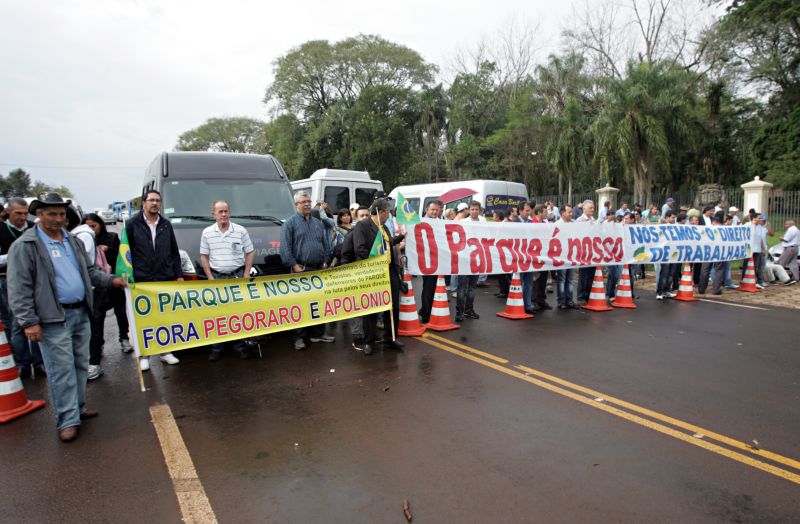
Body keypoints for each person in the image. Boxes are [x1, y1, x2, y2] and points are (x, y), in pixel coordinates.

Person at [7, 193, 126, 442]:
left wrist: (112, 280)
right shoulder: (26, 245)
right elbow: (19, 287)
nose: (58, 218)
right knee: (60, 370)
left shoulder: (72, 241)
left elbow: (90, 271)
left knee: (80, 364)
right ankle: (68, 420)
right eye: (52, 214)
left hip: (81, 311)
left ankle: (79, 408)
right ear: (39, 214)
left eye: (61, 214)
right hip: (53, 318)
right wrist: (29, 322)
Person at [126, 190, 183, 371]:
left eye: (158, 200)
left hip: (164, 278)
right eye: (151, 200)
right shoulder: (131, 224)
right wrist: (126, 275)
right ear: (144, 203)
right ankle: (144, 355)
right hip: (141, 280)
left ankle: (165, 352)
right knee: (143, 320)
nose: (155, 203)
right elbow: (125, 252)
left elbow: (174, 252)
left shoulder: (166, 225)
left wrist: (179, 275)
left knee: (164, 318)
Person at [199, 200, 255, 361]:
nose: (223, 214)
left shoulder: (240, 231)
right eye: (220, 212)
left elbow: (250, 252)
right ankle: (217, 348)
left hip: (236, 276)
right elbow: (204, 256)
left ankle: (240, 346)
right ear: (213, 214)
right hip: (217, 278)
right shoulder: (207, 232)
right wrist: (209, 276)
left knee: (237, 313)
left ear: (230, 212)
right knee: (218, 314)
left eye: (226, 211)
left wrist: (246, 273)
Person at [350, 198, 404, 355]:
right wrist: (376, 263)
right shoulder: (362, 226)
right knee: (372, 307)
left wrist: (399, 238)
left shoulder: (384, 227)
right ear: (380, 212)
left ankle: (391, 338)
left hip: (389, 271)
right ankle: (368, 341)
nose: (389, 215)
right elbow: (359, 249)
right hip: (372, 273)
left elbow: (387, 243)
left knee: (392, 306)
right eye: (388, 212)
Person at [280, 191, 331, 350]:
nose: (307, 204)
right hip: (300, 270)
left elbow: (324, 243)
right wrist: (294, 265)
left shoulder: (318, 223)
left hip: (318, 269)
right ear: (296, 205)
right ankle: (299, 338)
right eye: (303, 202)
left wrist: (325, 261)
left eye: (309, 201)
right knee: (300, 305)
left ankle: (318, 334)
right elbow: (285, 248)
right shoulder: (289, 223)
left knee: (319, 302)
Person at [82, 213, 128, 381]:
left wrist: (109, 250)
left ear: (100, 225)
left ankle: (125, 338)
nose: (91, 229)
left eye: (93, 226)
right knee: (96, 320)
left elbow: (121, 255)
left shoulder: (112, 237)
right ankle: (95, 355)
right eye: (87, 226)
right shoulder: (82, 240)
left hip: (113, 281)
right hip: (97, 288)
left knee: (121, 312)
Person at [0, 198, 43, 378]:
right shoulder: (1, 229)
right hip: (7, 279)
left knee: (37, 321)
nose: (23, 217)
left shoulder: (33, 229)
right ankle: (23, 363)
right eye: (19, 213)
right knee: (17, 323)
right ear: (9, 212)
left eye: (26, 213)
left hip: (34, 280)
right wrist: (13, 256)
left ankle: (39, 363)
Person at [454, 202, 483, 322]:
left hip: (476, 259)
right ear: (468, 210)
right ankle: (459, 312)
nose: (475, 211)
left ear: (479, 210)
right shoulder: (463, 222)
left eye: (477, 209)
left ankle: (469, 310)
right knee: (462, 287)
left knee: (472, 287)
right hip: (464, 259)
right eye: (472, 209)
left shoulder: (483, 221)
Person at [417, 200, 444, 324]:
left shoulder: (442, 222)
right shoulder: (419, 222)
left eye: (436, 209)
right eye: (432, 209)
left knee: (432, 287)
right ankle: (426, 315)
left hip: (438, 259)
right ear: (427, 210)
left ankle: (424, 309)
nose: (434, 212)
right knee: (428, 287)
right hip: (426, 260)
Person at [554, 206, 579, 309]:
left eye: (571, 212)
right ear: (563, 213)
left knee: (569, 279)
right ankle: (561, 301)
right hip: (561, 257)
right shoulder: (556, 225)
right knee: (562, 280)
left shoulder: (573, 224)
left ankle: (569, 300)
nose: (571, 214)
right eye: (569, 212)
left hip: (571, 256)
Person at [575, 200, 595, 301]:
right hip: (583, 252)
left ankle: (588, 294)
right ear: (584, 209)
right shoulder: (579, 220)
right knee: (583, 274)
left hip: (592, 252)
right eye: (590, 208)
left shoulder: (593, 219)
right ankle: (581, 295)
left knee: (591, 274)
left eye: (593, 208)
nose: (593, 209)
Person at [777, 219, 798, 285]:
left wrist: (781, 238)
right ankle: (796, 278)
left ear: (790, 224)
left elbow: (786, 239)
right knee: (793, 264)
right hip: (795, 247)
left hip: (789, 248)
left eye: (786, 224)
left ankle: (782, 278)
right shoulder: (796, 229)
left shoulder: (791, 230)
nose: (785, 225)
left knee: (781, 263)